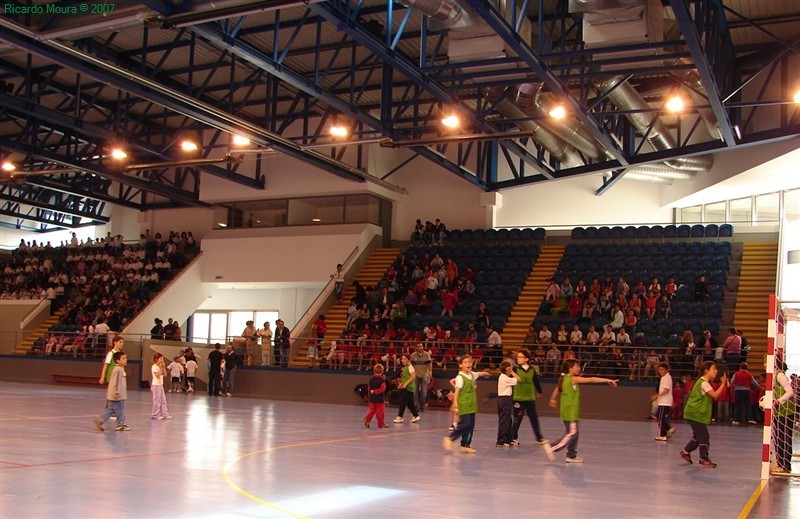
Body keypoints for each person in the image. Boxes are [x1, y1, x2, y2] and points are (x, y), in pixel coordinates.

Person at [545, 359, 618, 463]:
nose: (579, 368)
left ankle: (571, 455)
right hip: (570, 411)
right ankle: (553, 447)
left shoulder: (563, 378)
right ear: (570, 369)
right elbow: (591, 379)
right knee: (572, 433)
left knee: (574, 433)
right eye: (577, 366)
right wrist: (607, 380)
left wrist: (552, 399)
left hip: (568, 410)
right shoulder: (573, 379)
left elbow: (557, 389)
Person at [679, 361, 730, 468]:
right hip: (695, 413)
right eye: (714, 369)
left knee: (698, 437)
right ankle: (703, 458)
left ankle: (685, 452)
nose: (716, 371)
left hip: (695, 413)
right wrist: (724, 384)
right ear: (707, 371)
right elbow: (715, 395)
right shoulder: (704, 383)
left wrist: (723, 384)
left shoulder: (704, 382)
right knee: (704, 436)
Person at [442, 355, 491, 454]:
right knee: (465, 423)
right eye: (465, 362)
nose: (468, 364)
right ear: (460, 365)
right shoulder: (460, 377)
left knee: (470, 426)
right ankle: (450, 438)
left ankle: (465, 445)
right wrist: (455, 404)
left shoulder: (472, 374)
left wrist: (484, 373)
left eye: (470, 362)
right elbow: (457, 391)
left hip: (472, 404)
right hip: (464, 404)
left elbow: (478, 374)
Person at [511, 349, 547, 447]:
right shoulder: (515, 369)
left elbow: (536, 381)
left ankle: (539, 437)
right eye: (517, 357)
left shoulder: (532, 370)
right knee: (517, 419)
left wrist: (539, 391)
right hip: (518, 398)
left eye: (520, 357)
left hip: (530, 398)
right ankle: (512, 437)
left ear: (526, 359)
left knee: (534, 418)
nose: (518, 359)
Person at [94, 351, 131, 432]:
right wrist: (117, 392)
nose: (126, 360)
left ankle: (100, 420)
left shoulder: (118, 369)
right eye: (123, 358)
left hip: (113, 394)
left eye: (126, 358)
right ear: (118, 361)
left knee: (111, 410)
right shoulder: (119, 370)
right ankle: (120, 424)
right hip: (118, 395)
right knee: (121, 409)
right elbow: (117, 381)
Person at [772, 353, 796, 475]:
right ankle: (780, 462)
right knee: (779, 438)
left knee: (784, 438)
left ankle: (785, 465)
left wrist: (778, 402)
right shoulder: (774, 376)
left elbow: (790, 392)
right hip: (779, 413)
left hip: (786, 412)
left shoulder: (780, 375)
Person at [496, 360, 520, 448]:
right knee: (504, 420)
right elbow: (519, 379)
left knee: (508, 420)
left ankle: (508, 439)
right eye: (509, 368)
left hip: (505, 399)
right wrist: (512, 372)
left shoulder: (503, 377)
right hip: (505, 399)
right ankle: (500, 440)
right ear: (506, 370)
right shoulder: (505, 378)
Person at [394, 354, 421, 424]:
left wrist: (406, 384)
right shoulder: (404, 368)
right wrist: (401, 384)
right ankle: (416, 415)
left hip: (408, 388)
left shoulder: (410, 367)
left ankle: (400, 416)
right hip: (406, 387)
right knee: (410, 403)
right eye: (402, 359)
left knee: (402, 402)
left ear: (408, 360)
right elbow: (404, 378)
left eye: (405, 359)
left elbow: (413, 376)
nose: (403, 360)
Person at [653, 362, 675, 441]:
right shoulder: (664, 378)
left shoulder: (667, 377)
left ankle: (663, 434)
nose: (660, 372)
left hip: (665, 401)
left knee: (660, 418)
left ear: (666, 370)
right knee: (659, 417)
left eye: (662, 370)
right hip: (663, 401)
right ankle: (668, 429)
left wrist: (657, 395)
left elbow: (666, 389)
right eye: (659, 370)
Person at [364, 364, 390, 428]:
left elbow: (369, 389)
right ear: (382, 371)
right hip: (379, 399)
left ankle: (367, 419)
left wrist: (369, 396)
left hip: (372, 399)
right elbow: (383, 389)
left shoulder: (371, 379)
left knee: (372, 410)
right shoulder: (381, 380)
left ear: (374, 371)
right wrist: (376, 391)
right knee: (380, 412)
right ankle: (380, 424)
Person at [410, 342, 432, 411]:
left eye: (420, 346)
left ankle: (421, 404)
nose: (419, 348)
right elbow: (411, 365)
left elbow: (429, 364)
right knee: (414, 392)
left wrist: (430, 371)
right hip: (416, 376)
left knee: (424, 393)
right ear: (416, 347)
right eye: (418, 346)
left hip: (424, 376)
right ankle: (416, 406)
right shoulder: (413, 355)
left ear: (423, 347)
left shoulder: (427, 355)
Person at [150, 352, 171, 420]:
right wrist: (160, 368)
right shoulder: (154, 367)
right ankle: (155, 414)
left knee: (163, 400)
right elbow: (158, 376)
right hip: (156, 385)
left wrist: (163, 367)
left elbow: (165, 374)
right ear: (156, 359)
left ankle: (164, 413)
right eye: (160, 358)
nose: (162, 360)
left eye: (162, 359)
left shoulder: (160, 366)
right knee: (157, 401)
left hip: (161, 385)